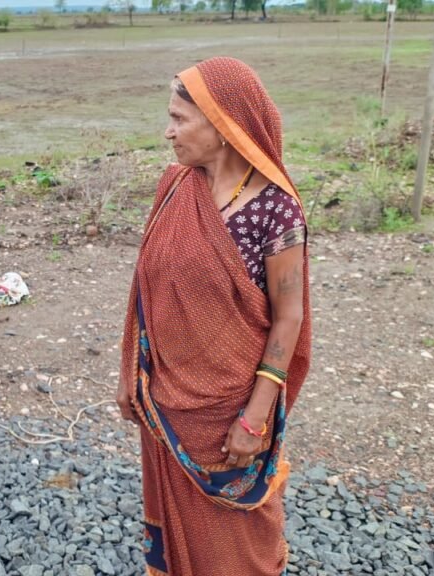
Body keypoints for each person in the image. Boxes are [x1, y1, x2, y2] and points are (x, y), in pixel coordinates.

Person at [117, 57, 312, 575]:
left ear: (224, 126)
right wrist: (128, 375)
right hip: (166, 399)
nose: (167, 132)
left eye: (179, 120)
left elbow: (288, 317)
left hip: (231, 408)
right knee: (183, 538)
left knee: (241, 546)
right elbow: (145, 285)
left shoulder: (275, 209)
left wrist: (254, 417)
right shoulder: (176, 187)